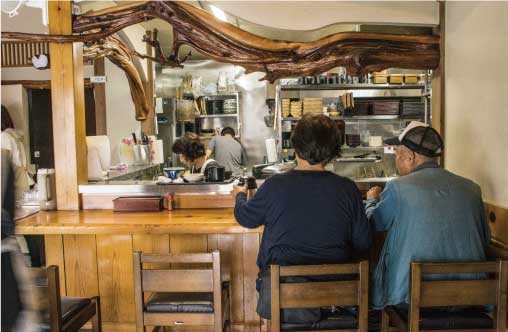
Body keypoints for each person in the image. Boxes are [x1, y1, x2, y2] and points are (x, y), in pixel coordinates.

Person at [234, 114, 371, 321]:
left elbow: (246, 218)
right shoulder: (347, 189)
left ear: (295, 148)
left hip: (283, 296)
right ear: (333, 151)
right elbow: (364, 243)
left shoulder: (275, 186)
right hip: (336, 296)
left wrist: (239, 195)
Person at [365, 121, 491, 310]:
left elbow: (375, 224)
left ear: (410, 157)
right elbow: (486, 238)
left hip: (412, 298)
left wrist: (372, 201)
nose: (396, 161)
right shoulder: (472, 188)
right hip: (470, 297)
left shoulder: (399, 188)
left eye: (397, 155)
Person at [1, 105, 34, 198]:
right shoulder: (16, 134)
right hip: (23, 179)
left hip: (13, 182)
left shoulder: (4, 137)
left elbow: (3, 165)